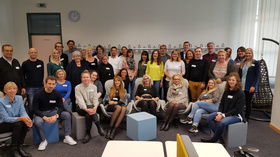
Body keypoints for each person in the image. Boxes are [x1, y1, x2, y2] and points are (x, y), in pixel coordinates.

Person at [33, 76, 77, 151]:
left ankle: (67, 136)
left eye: (53, 84)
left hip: (52, 111)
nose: (51, 86)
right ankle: (43, 141)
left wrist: (56, 116)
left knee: (67, 115)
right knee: (38, 122)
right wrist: (44, 117)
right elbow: (35, 109)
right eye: (49, 83)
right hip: (40, 112)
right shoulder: (38, 94)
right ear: (45, 84)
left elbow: (61, 107)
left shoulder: (57, 94)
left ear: (55, 85)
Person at [201, 72, 245, 143]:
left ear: (237, 81)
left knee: (223, 122)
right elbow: (222, 104)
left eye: (233, 80)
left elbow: (237, 109)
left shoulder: (241, 93)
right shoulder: (227, 91)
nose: (231, 81)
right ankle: (219, 138)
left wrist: (223, 115)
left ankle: (214, 139)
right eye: (229, 80)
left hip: (236, 115)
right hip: (224, 113)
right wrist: (219, 113)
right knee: (209, 117)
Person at [0, 82, 32, 157]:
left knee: (24, 122)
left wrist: (27, 119)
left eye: (14, 89)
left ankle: (19, 147)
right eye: (9, 89)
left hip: (14, 123)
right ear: (5, 91)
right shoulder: (1, 102)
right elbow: (6, 118)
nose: (12, 90)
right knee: (19, 123)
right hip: (2, 124)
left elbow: (22, 111)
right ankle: (13, 149)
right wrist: (21, 118)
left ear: (17, 90)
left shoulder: (19, 98)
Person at [75, 70, 105, 144]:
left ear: (90, 78)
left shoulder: (94, 87)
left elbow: (95, 98)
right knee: (88, 112)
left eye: (87, 77)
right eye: (84, 77)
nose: (86, 79)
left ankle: (88, 134)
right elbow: (80, 101)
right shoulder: (78, 87)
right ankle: (98, 126)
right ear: (81, 79)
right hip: (81, 108)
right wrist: (86, 109)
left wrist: (95, 107)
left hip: (91, 107)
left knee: (88, 115)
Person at [22, 48, 44, 119]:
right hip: (30, 87)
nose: (33, 53)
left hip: (40, 86)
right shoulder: (25, 63)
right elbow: (22, 75)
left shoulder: (41, 62)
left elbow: (42, 73)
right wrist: (24, 86)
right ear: (29, 53)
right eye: (31, 52)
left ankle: (40, 117)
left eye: (35, 52)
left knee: (41, 103)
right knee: (31, 104)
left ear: (37, 53)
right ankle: (31, 119)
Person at [238, 48, 260, 120]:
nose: (247, 55)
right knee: (240, 102)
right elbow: (239, 75)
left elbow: (257, 76)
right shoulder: (242, 62)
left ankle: (246, 117)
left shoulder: (256, 63)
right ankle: (240, 115)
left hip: (250, 86)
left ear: (252, 54)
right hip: (242, 85)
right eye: (246, 53)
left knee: (248, 102)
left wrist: (253, 86)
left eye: (249, 53)